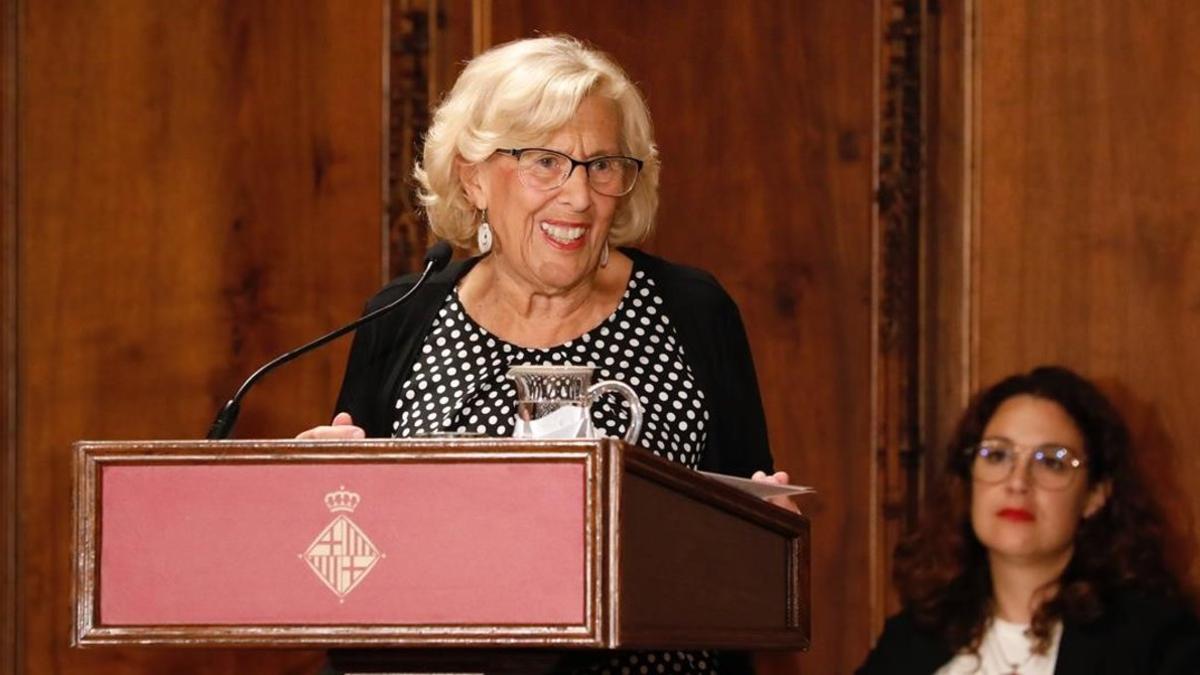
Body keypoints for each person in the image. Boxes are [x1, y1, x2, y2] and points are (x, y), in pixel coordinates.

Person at [300, 35, 791, 675]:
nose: (579, 197)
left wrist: (767, 533)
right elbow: (354, 567)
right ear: (474, 176)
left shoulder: (691, 313)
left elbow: (752, 541)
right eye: (545, 162)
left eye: (603, 165)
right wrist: (325, 487)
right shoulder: (404, 318)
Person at [857, 365, 1200, 674]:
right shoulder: (910, 641)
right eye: (997, 455)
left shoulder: (1156, 643)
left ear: (1094, 495)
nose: (1018, 482)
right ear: (969, 478)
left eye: (1051, 462)